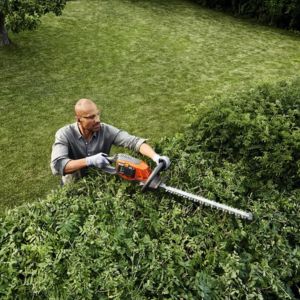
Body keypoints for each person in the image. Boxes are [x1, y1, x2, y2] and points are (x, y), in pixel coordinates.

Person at [50, 98, 170, 184]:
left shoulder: (105, 130)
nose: (97, 120)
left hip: (100, 183)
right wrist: (90, 161)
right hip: (73, 185)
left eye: (97, 114)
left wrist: (155, 157)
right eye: (91, 117)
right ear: (79, 119)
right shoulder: (64, 134)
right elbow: (59, 165)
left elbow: (133, 142)